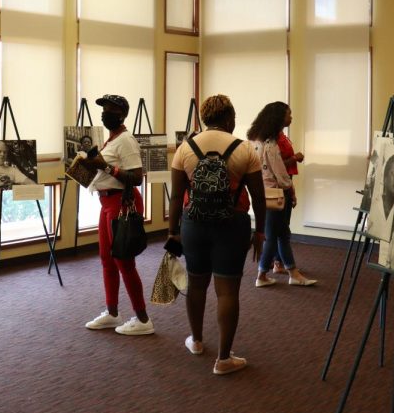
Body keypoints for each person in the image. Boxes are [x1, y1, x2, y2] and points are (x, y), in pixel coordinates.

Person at [168, 94, 266, 375]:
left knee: (196, 284)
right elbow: (258, 198)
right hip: (232, 224)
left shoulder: (185, 148)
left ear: (204, 119)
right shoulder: (245, 149)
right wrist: (260, 231)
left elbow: (176, 197)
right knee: (227, 291)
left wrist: (173, 232)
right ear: (228, 118)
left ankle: (196, 341)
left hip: (193, 224)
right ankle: (224, 358)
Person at [81, 94, 153, 336]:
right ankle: (112, 313)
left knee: (124, 261)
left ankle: (143, 319)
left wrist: (104, 166)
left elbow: (136, 178)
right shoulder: (111, 140)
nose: (104, 113)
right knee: (106, 259)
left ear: (121, 114)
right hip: (106, 203)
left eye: (109, 109)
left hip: (122, 202)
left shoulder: (126, 141)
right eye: (103, 109)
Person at [248, 102, 317, 288]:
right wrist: (291, 191)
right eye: (289, 114)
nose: (291, 117)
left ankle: (286, 271)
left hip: (263, 192)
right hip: (277, 193)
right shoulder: (270, 145)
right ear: (278, 118)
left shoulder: (254, 140)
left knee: (280, 234)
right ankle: (265, 274)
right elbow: (281, 175)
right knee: (276, 235)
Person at [271, 104, 304, 276]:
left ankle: (279, 261)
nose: (291, 117)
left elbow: (286, 172)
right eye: (288, 114)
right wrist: (295, 158)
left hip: (286, 183)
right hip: (277, 187)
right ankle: (277, 262)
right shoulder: (272, 140)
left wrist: (292, 191)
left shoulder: (282, 136)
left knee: (283, 226)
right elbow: (275, 167)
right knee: (280, 228)